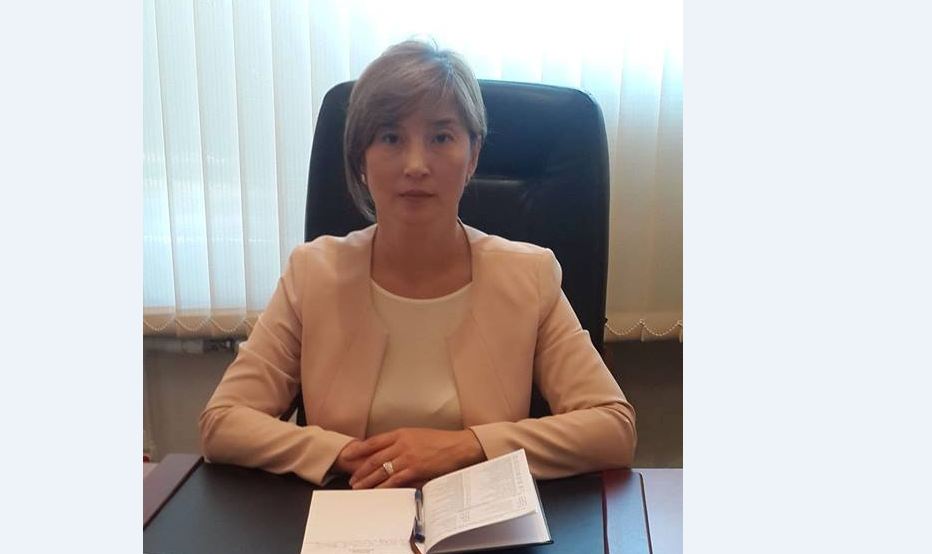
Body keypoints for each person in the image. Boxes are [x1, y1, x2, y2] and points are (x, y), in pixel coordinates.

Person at [199, 39, 636, 490]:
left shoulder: (528, 276)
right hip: (352, 511)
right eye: (391, 137)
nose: (415, 165)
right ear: (361, 159)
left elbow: (612, 427)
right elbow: (223, 421)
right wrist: (344, 453)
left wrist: (468, 446)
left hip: (479, 516)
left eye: (441, 137)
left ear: (473, 156)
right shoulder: (313, 274)